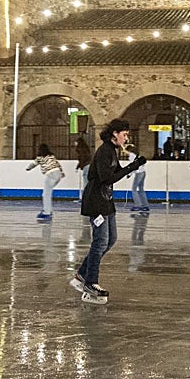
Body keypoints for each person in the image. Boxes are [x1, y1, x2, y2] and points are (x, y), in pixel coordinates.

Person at [72, 118, 146, 305]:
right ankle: (90, 283)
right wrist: (132, 166)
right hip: (96, 202)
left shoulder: (112, 151)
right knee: (100, 241)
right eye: (124, 134)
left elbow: (117, 173)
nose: (126, 137)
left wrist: (134, 165)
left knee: (111, 239)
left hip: (106, 201)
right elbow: (107, 178)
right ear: (115, 133)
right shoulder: (104, 151)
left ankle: (81, 274)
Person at [26, 143, 65, 221]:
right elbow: (57, 164)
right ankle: (48, 210)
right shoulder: (51, 156)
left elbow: (33, 164)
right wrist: (62, 172)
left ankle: (47, 212)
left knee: (46, 194)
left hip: (50, 174)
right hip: (58, 174)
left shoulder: (39, 158)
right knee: (48, 192)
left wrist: (28, 168)